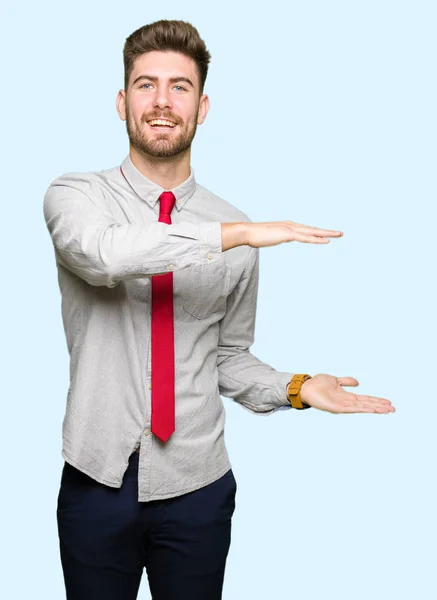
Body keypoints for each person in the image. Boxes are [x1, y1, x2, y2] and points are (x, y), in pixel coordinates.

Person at [43, 18, 395, 600]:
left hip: (198, 487)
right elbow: (102, 255)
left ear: (202, 107)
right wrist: (224, 235)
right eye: (145, 85)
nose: (161, 102)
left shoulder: (237, 229)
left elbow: (226, 356)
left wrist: (298, 387)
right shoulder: (77, 196)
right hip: (94, 481)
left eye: (179, 87)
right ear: (120, 100)